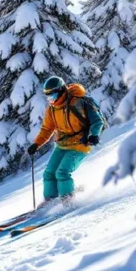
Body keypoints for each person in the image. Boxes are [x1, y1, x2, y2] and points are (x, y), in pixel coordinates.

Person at [26, 76, 104, 206]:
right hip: (62, 145)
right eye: (48, 97)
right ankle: (50, 201)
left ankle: (68, 201)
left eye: (53, 96)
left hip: (80, 144)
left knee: (62, 172)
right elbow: (46, 129)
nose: (51, 100)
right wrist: (36, 144)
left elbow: (97, 121)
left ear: (62, 91)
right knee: (49, 173)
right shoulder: (52, 110)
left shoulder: (78, 103)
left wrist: (93, 135)